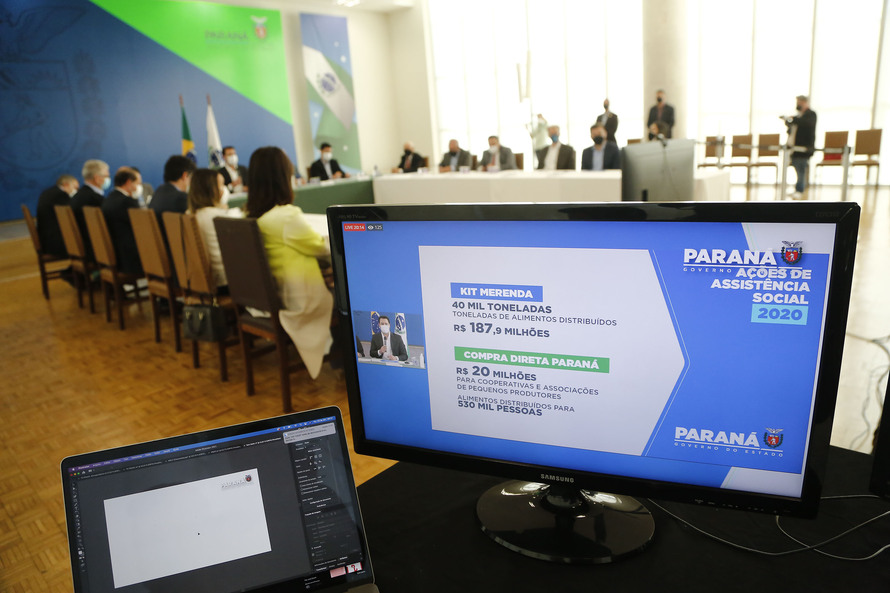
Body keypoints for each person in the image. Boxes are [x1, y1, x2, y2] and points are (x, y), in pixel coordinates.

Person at [246, 146, 333, 379]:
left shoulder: (253, 216)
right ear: (282, 177)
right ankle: (347, 363)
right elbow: (322, 248)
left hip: (278, 296)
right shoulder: (285, 216)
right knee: (350, 295)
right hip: (302, 300)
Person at [187, 168, 242, 291]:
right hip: (227, 281)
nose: (224, 190)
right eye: (221, 185)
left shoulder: (191, 215)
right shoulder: (219, 216)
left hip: (204, 280)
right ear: (211, 190)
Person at [101, 167, 143, 276]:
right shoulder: (127, 202)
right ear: (128, 182)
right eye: (137, 184)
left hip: (114, 254)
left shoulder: (109, 199)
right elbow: (144, 227)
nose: (138, 187)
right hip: (131, 259)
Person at [70, 159, 110, 262]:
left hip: (81, 247)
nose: (108, 179)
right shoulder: (95, 199)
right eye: (106, 176)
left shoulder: (77, 196)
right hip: (95, 250)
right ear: (97, 178)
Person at [37, 174, 79, 258]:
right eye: (75, 188)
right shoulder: (60, 195)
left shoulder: (49, 192)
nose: (76, 191)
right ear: (66, 184)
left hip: (46, 240)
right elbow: (71, 213)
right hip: (56, 243)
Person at [785, 95, 817, 199]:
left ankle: (800, 190)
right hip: (794, 148)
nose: (797, 104)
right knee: (797, 168)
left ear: (804, 102)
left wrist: (793, 119)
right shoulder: (798, 116)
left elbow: (807, 125)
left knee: (801, 169)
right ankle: (797, 189)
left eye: (799, 102)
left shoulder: (811, 114)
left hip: (804, 148)